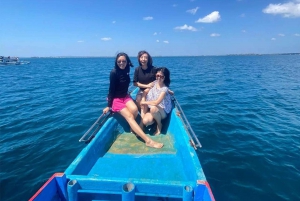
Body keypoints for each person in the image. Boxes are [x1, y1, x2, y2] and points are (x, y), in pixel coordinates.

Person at [103, 52, 163, 149]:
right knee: (130, 116)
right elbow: (111, 90)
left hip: (125, 96)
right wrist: (108, 106)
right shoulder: (114, 72)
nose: (121, 63)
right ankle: (148, 141)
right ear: (116, 62)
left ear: (127, 62)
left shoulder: (127, 69)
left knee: (135, 109)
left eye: (124, 61)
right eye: (119, 61)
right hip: (116, 99)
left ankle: (132, 128)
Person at [140, 67, 172, 135]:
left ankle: (159, 125)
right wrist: (143, 100)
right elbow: (145, 92)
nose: (159, 78)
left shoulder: (164, 89)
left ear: (165, 77)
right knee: (145, 121)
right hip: (153, 109)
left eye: (161, 76)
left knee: (153, 108)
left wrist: (144, 102)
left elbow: (157, 102)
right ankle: (153, 120)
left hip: (163, 111)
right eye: (157, 75)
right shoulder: (154, 83)